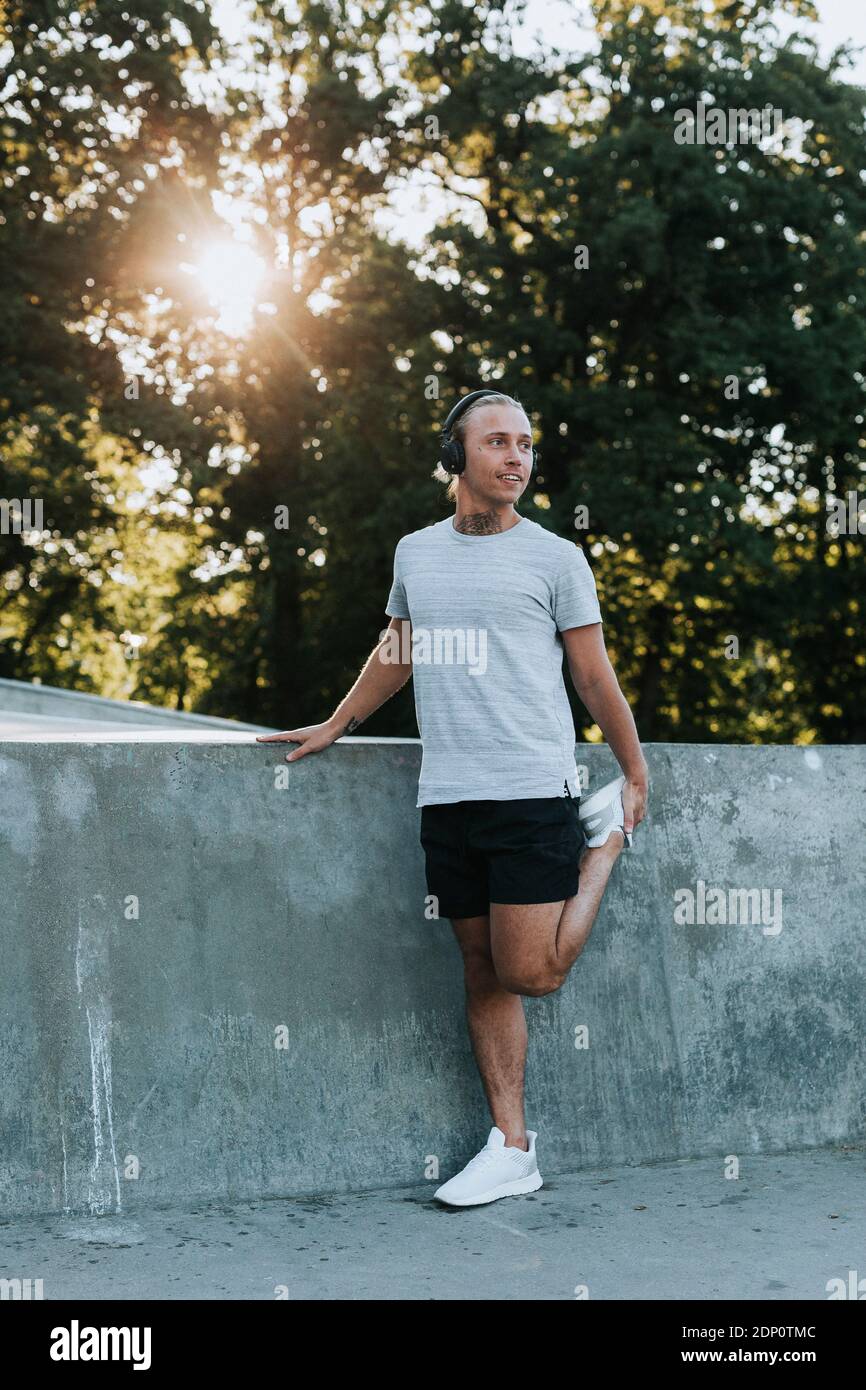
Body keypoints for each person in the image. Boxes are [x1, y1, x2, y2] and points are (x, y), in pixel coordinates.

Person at [257, 389, 649, 1207]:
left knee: (532, 973)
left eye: (527, 445)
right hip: (449, 797)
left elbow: (591, 674)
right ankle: (511, 1147)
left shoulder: (555, 559)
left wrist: (633, 776)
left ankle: (604, 844)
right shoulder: (417, 553)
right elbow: (397, 651)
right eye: (499, 443)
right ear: (457, 456)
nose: (517, 458)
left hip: (534, 791)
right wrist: (336, 722)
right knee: (481, 968)